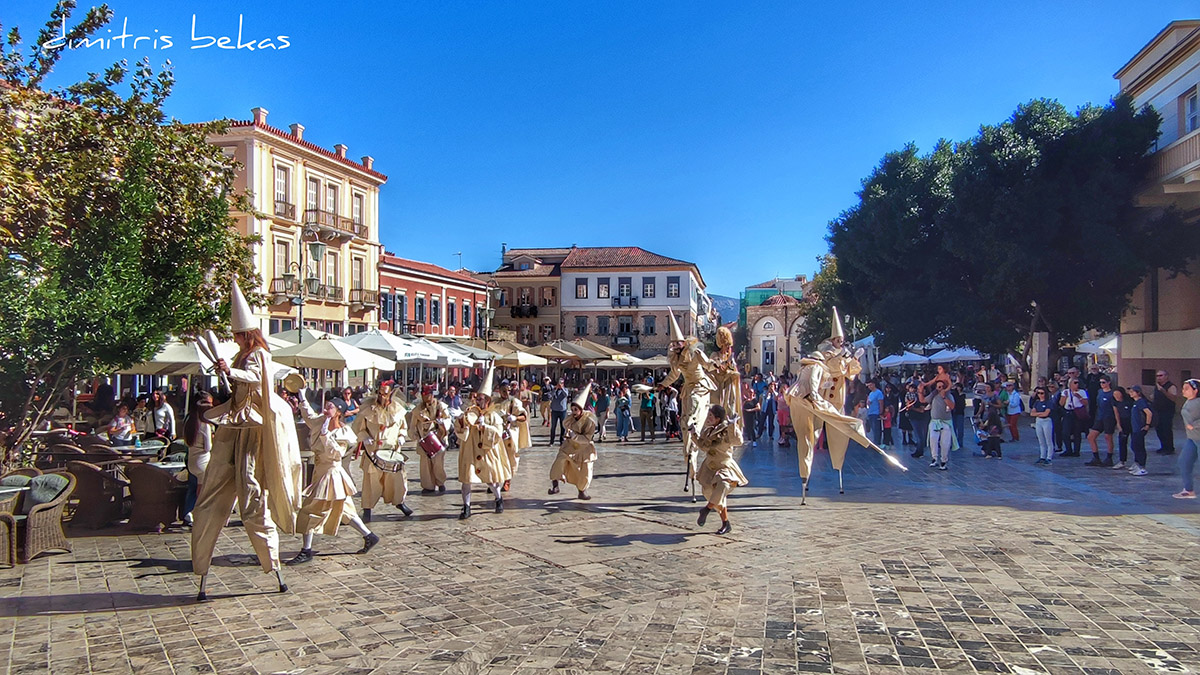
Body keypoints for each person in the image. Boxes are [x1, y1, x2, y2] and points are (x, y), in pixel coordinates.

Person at [191, 279, 302, 601]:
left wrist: (231, 371)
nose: (236, 339)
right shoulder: (242, 355)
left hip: (252, 428)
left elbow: (258, 381)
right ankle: (201, 564)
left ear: (248, 334)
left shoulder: (259, 356)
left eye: (239, 335)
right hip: (234, 427)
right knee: (212, 499)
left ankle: (274, 564)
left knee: (251, 494)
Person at [287, 391, 379, 564]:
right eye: (326, 405)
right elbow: (308, 414)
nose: (325, 408)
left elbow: (336, 454)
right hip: (321, 471)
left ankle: (306, 550)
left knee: (311, 509)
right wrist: (302, 397)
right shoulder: (320, 422)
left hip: (331, 473)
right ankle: (369, 535)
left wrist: (325, 437)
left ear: (338, 412)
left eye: (330, 406)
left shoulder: (343, 432)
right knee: (345, 510)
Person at [662, 311, 716, 492]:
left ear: (684, 343)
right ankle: (689, 448)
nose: (676, 346)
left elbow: (708, 365)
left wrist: (717, 364)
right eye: (674, 344)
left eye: (678, 343)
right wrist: (661, 385)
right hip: (688, 388)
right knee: (686, 416)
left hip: (700, 387)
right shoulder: (676, 359)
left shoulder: (695, 352)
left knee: (693, 406)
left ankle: (693, 425)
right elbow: (674, 375)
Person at [352, 380, 413, 522]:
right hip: (373, 451)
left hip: (392, 451)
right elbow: (358, 428)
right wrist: (364, 437)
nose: (382, 397)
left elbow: (403, 427)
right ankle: (367, 508)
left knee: (397, 480)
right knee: (371, 482)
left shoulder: (398, 409)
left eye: (385, 394)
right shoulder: (368, 409)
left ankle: (400, 502)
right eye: (380, 393)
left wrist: (402, 436)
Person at [456, 367, 512, 518]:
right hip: (471, 449)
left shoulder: (494, 415)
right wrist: (462, 422)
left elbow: (498, 433)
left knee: (492, 480)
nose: (477, 401)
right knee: (467, 479)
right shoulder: (470, 411)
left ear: (487, 400)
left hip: (487, 451)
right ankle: (466, 507)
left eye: (481, 398)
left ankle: (498, 498)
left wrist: (485, 427)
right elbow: (462, 429)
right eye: (477, 398)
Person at [695, 404, 747, 536]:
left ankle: (706, 509)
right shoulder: (708, 431)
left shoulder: (726, 430)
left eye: (711, 416)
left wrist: (732, 425)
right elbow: (703, 446)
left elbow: (738, 441)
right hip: (709, 467)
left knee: (723, 485)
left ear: (718, 418)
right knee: (711, 494)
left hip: (724, 466)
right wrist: (692, 434)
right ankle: (726, 523)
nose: (708, 418)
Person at [549, 385, 598, 500]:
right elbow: (566, 426)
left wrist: (575, 436)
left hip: (584, 448)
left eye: (576, 410)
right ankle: (555, 484)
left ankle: (582, 491)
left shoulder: (589, 421)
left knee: (585, 471)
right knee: (559, 460)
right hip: (570, 446)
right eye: (572, 409)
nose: (573, 412)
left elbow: (587, 438)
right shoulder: (570, 419)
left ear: (581, 410)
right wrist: (568, 435)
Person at [410, 384, 451, 493]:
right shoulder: (418, 410)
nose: (427, 398)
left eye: (428, 395)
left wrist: (443, 423)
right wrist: (414, 436)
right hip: (423, 438)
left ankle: (440, 482)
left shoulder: (440, 406)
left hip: (438, 438)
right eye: (424, 395)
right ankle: (428, 486)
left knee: (438, 463)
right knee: (425, 465)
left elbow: (448, 419)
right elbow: (412, 425)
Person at [182, 392, 215, 525]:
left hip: (191, 461)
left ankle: (189, 513)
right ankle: (195, 514)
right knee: (202, 493)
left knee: (194, 489)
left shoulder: (189, 421)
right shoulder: (205, 425)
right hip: (203, 462)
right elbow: (208, 447)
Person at [494, 380, 531, 491]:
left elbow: (524, 416)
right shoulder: (494, 402)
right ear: (499, 391)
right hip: (496, 433)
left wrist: (515, 418)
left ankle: (507, 480)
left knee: (510, 457)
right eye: (503, 391)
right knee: (496, 457)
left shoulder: (514, 402)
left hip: (509, 433)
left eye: (507, 391)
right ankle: (495, 480)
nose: (506, 393)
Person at [708, 326, 743, 440]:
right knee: (718, 411)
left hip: (729, 389)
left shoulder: (731, 358)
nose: (728, 348)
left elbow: (735, 373)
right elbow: (711, 370)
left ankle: (731, 433)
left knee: (730, 410)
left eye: (729, 345)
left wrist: (730, 371)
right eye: (726, 345)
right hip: (718, 389)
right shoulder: (715, 355)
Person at [921, 379, 957, 470]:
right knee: (933, 439)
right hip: (935, 421)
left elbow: (952, 406)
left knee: (945, 442)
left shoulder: (949, 395)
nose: (940, 388)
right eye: (938, 387)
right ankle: (934, 458)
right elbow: (923, 400)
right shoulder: (933, 395)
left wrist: (944, 397)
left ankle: (944, 460)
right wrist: (920, 391)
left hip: (945, 422)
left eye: (942, 387)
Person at [1173, 379, 1200, 499]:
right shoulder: (1189, 402)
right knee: (1184, 461)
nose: (1183, 391)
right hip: (1192, 438)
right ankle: (1188, 490)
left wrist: (1195, 425)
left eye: (1187, 388)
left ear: (1196, 390)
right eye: (1183, 388)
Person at [1085, 375, 1117, 467]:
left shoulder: (1112, 394)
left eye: (1103, 382)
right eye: (1101, 382)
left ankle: (1109, 457)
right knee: (1091, 437)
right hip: (1099, 417)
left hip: (1109, 417)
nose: (1102, 384)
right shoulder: (1099, 392)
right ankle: (1096, 457)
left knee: (1108, 437)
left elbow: (1115, 408)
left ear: (1108, 383)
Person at [1059, 378, 1088, 457]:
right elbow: (1061, 403)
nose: (1077, 384)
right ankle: (1068, 449)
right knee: (1065, 432)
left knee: (1077, 433)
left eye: (1077, 383)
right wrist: (1065, 396)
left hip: (1077, 413)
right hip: (1068, 413)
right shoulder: (1065, 392)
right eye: (1075, 383)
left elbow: (1085, 403)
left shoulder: (1082, 392)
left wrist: (1079, 397)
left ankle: (1076, 451)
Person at [1128, 385, 1153, 477]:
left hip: (1140, 428)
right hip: (1135, 428)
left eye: (1133, 392)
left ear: (1138, 393)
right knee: (1134, 446)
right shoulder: (1135, 402)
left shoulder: (1141, 402)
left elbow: (1149, 413)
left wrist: (1147, 425)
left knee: (1139, 447)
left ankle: (1142, 467)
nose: (1131, 393)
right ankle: (1137, 463)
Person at [1155, 371, 1181, 455]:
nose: (1159, 377)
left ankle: (1169, 448)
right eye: (1157, 376)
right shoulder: (1157, 386)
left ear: (1166, 376)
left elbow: (1173, 398)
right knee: (1159, 429)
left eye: (1161, 375)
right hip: (1158, 411)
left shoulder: (1171, 386)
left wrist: (1163, 391)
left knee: (1166, 429)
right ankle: (1163, 446)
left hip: (1167, 411)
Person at [1030, 386, 1054, 464]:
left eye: (1042, 393)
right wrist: (1040, 414)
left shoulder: (1048, 402)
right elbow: (1032, 413)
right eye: (1038, 393)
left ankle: (1049, 457)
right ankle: (1042, 456)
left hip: (1046, 421)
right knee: (1041, 440)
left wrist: (1038, 414)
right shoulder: (1037, 402)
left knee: (1048, 440)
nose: (1040, 395)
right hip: (1039, 421)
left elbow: (1046, 413)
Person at [1112, 386, 1132, 470]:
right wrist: (1118, 424)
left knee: (1135, 443)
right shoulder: (1114, 402)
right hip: (1123, 422)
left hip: (1131, 422)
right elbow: (1116, 413)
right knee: (1122, 441)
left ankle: (1138, 462)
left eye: (1118, 394)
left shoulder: (1129, 400)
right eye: (1115, 395)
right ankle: (1122, 461)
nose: (1116, 397)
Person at [548, 379, 569, 445]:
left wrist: (562, 388)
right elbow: (550, 396)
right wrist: (555, 389)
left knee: (562, 426)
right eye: (559, 383)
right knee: (553, 426)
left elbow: (566, 395)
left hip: (562, 410)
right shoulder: (554, 390)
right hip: (554, 410)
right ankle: (552, 441)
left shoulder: (565, 390)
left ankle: (561, 440)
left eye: (561, 383)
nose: (560, 384)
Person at [866, 380, 884, 447]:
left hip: (876, 412)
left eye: (870, 385)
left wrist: (880, 411)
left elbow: (881, 402)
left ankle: (877, 442)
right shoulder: (871, 393)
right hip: (870, 411)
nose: (869, 387)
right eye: (868, 386)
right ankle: (875, 441)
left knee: (876, 428)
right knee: (873, 428)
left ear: (874, 384)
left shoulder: (878, 393)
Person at [741, 382, 760, 446]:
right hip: (746, 415)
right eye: (749, 392)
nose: (750, 393)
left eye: (751, 392)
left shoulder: (755, 400)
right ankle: (749, 439)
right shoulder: (746, 400)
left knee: (752, 428)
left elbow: (758, 407)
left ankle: (754, 440)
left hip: (752, 415)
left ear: (753, 393)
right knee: (747, 427)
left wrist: (750, 410)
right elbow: (742, 406)